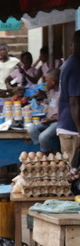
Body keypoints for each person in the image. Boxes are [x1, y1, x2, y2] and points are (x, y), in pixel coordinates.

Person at [56, 30, 80, 161]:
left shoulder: (69, 63)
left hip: (67, 125)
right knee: (72, 175)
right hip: (72, 129)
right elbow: (74, 101)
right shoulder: (76, 65)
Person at [28, 69, 60, 153]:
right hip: (48, 120)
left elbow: (65, 114)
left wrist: (52, 119)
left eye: (46, 81)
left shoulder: (63, 94)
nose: (45, 83)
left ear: (53, 81)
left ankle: (48, 153)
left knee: (43, 137)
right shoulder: (52, 92)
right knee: (31, 128)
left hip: (57, 122)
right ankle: (48, 150)